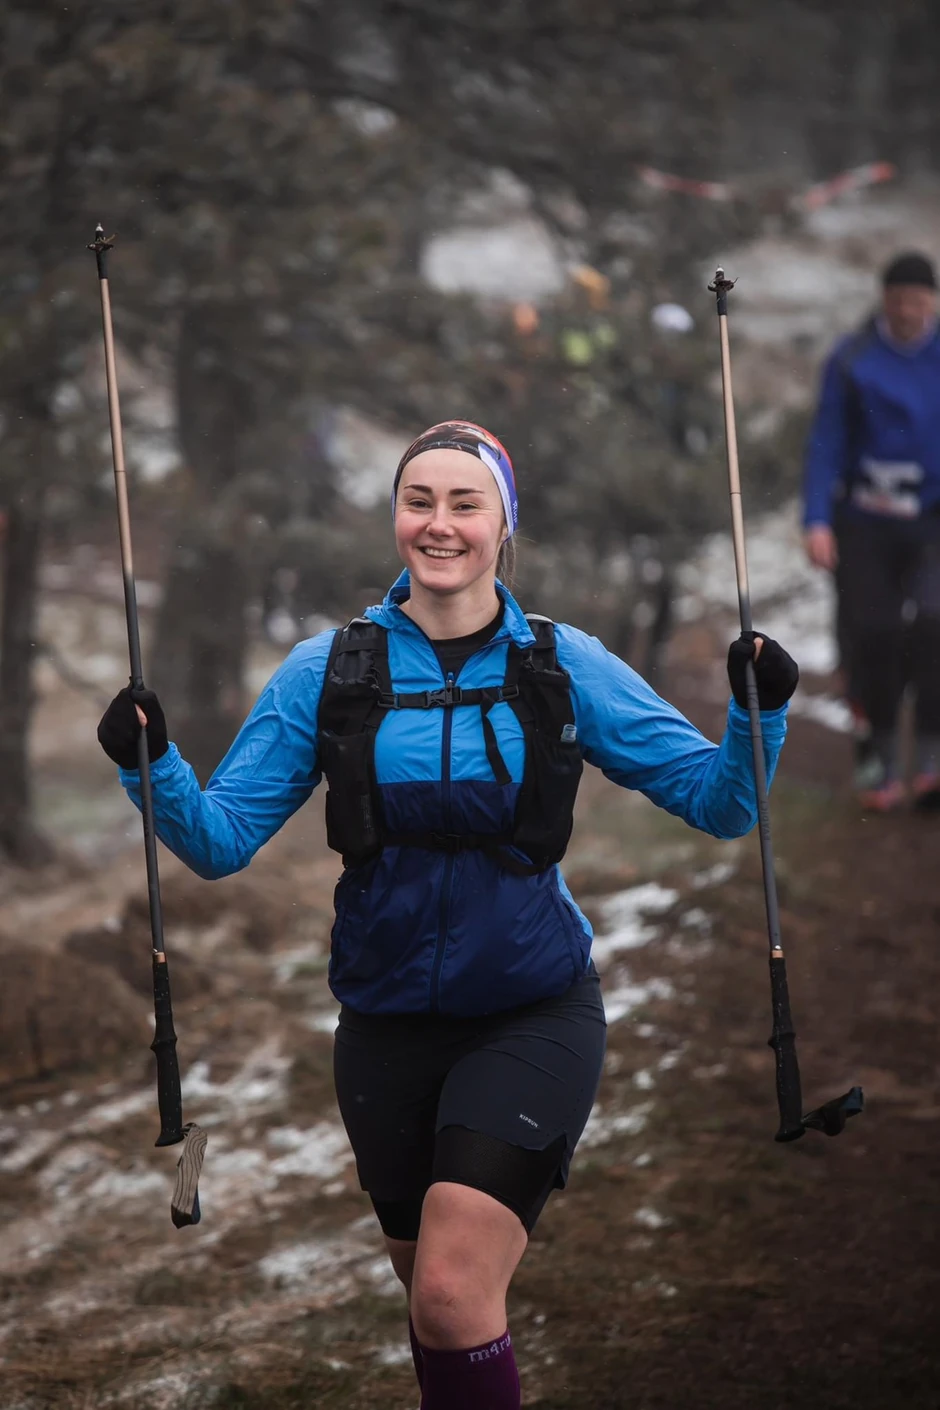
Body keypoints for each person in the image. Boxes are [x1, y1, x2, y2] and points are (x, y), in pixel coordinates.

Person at [97, 420, 798, 1410]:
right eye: (418, 500)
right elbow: (217, 842)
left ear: (503, 522)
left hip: (531, 1010)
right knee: (431, 1305)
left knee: (451, 1291)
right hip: (383, 1028)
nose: (438, 523)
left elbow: (717, 802)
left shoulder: (562, 665)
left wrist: (756, 714)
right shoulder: (325, 672)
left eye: (464, 503)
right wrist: (150, 763)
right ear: (396, 515)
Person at [803, 251, 940, 811]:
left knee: (935, 624)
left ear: (932, 303)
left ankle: (931, 753)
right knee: (875, 633)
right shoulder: (853, 358)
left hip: (931, 519)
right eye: (898, 300)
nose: (908, 311)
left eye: (918, 301)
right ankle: (880, 755)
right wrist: (815, 518)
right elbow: (826, 441)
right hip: (864, 522)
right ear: (884, 301)